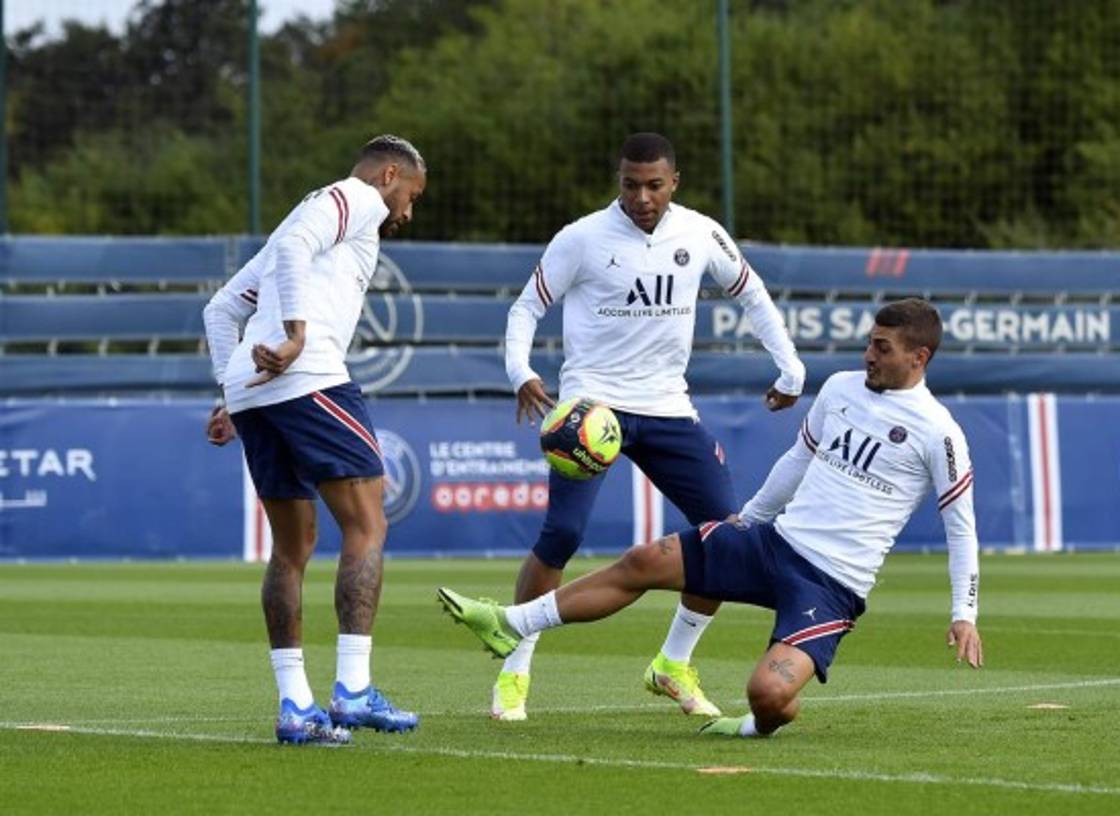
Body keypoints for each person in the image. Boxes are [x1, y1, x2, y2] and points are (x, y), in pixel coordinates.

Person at [441, 298, 983, 736]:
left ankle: (755, 727)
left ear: (920, 357)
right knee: (645, 559)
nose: (868, 354)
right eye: (868, 341)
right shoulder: (841, 388)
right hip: (773, 543)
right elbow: (798, 459)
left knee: (768, 695)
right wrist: (748, 520)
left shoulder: (939, 432)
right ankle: (511, 623)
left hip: (831, 583)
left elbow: (961, 527)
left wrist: (964, 613)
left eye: (882, 347)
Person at [497, 132, 806, 722]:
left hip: (667, 406)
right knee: (562, 535)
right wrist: (521, 372)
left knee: (724, 536)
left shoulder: (700, 232)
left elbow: (753, 294)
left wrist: (790, 366)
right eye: (630, 184)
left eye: (654, 185)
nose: (641, 196)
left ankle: (672, 663)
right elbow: (526, 308)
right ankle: (515, 667)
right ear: (619, 181)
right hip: (593, 411)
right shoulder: (582, 237)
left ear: (674, 184)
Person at [202, 135, 427, 745]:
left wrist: (229, 390)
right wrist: (298, 335)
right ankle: (352, 689)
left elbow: (221, 309)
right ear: (388, 176)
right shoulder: (350, 198)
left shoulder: (297, 223)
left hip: (257, 391)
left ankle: (296, 706)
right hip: (309, 377)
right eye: (410, 196)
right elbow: (299, 247)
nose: (408, 212)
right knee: (367, 525)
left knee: (292, 547)